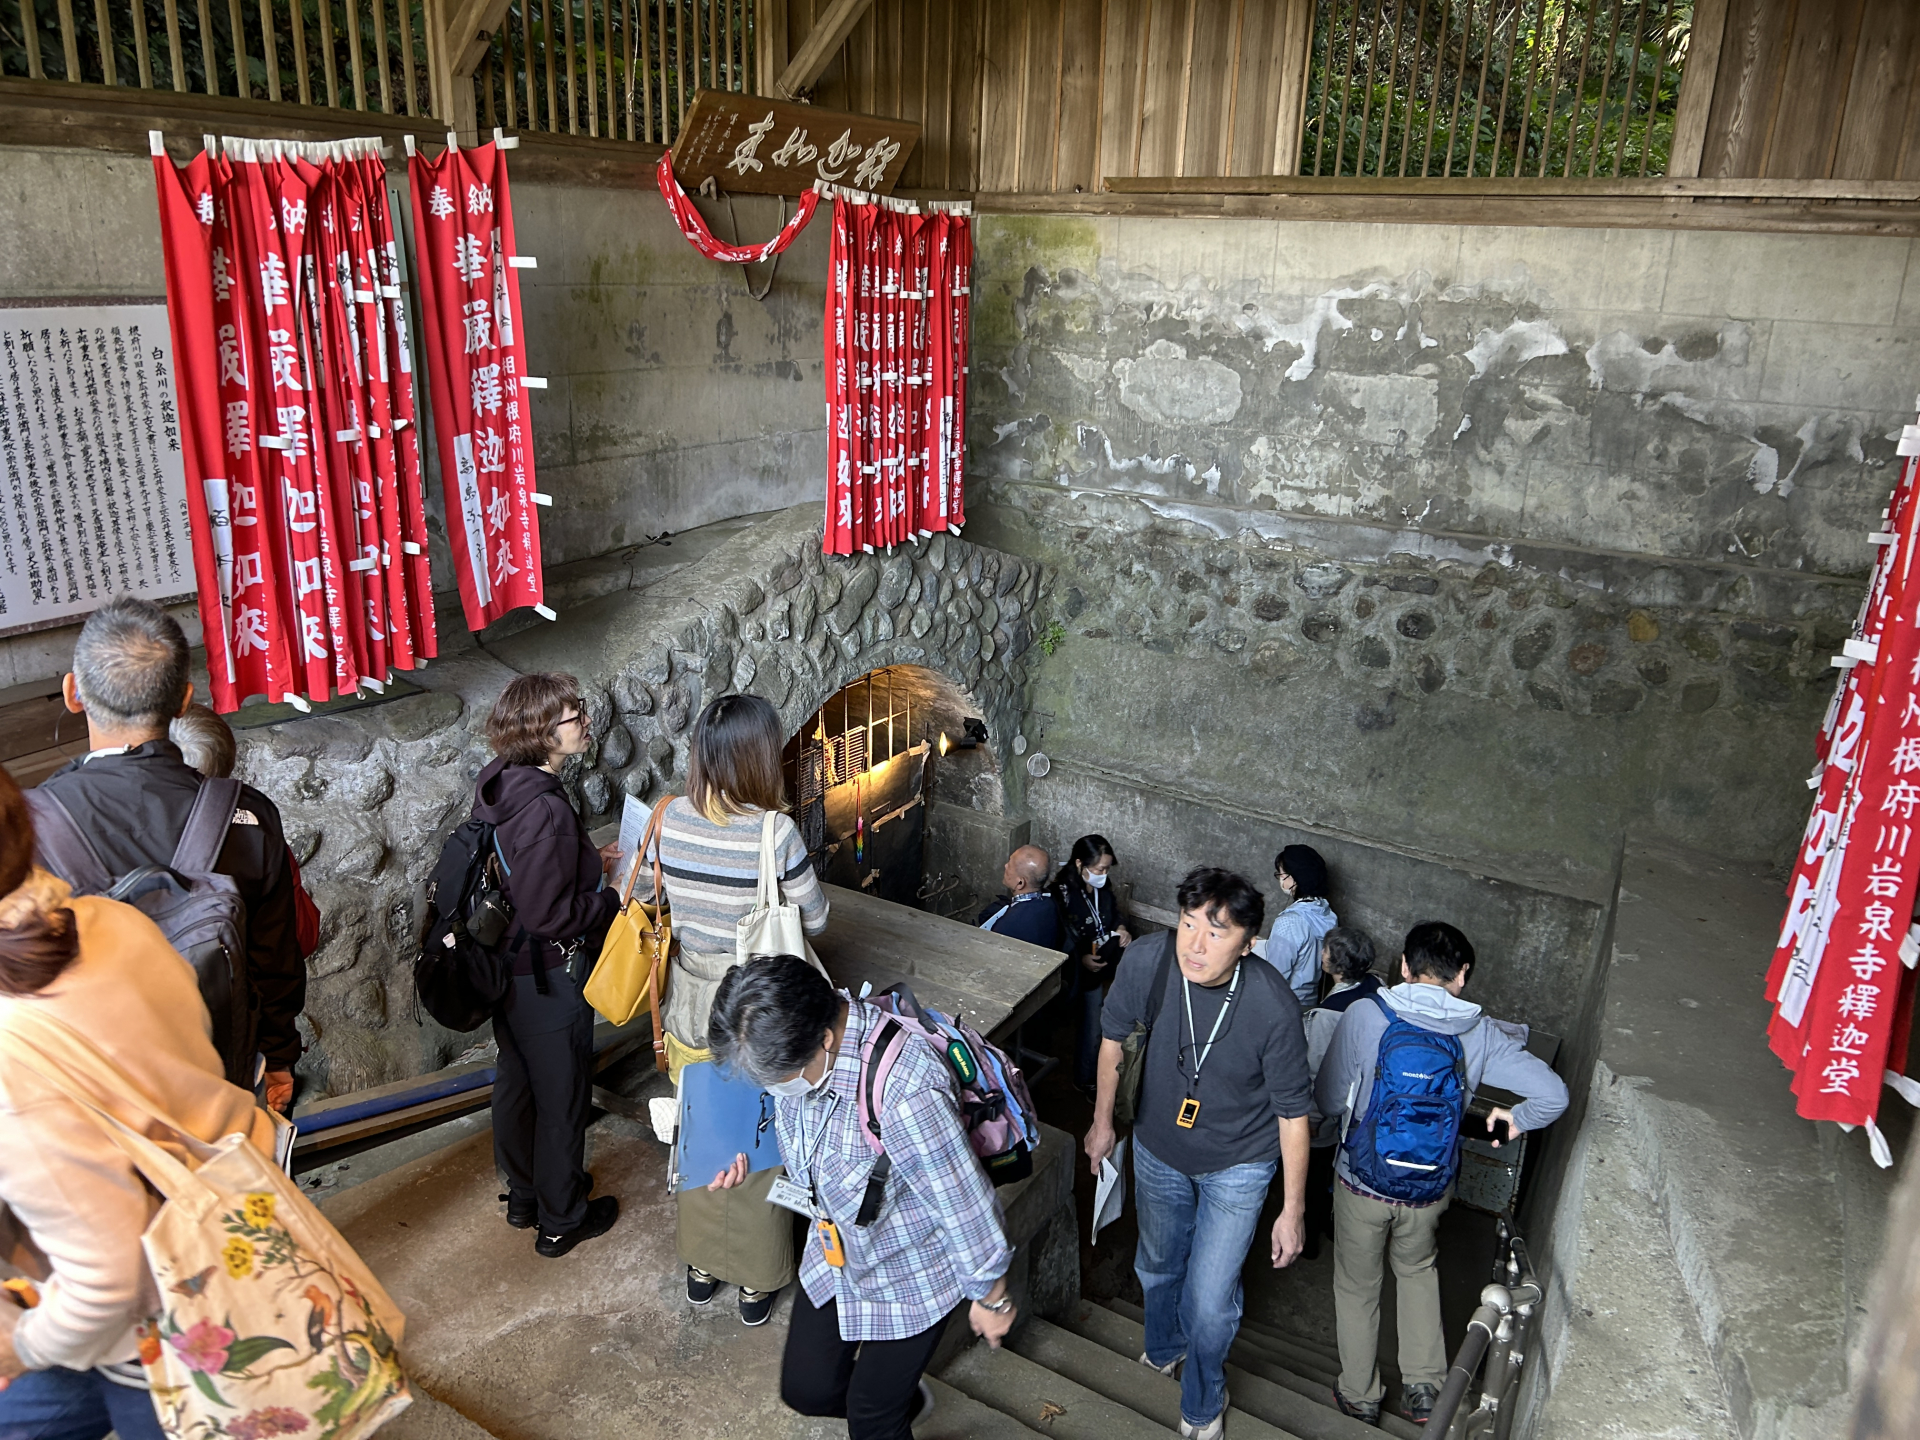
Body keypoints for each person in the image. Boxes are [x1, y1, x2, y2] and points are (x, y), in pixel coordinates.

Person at [0, 763, 279, 1440]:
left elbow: (110, 1278)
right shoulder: (112, 919)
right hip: (242, 1227)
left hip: (161, 1332)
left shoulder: (12, 1053)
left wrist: (23, 1347)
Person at [706, 955, 1016, 1440]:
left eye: (777, 1078)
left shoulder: (906, 1089)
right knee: (807, 1390)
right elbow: (788, 1116)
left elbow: (965, 1205)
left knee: (872, 1419)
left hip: (912, 1272)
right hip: (833, 1254)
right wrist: (742, 1153)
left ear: (825, 1039)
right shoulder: (802, 1055)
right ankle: (902, 1403)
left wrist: (992, 1299)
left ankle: (890, 1410)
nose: (773, 1089)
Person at [31, 597, 304, 1114]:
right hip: (222, 1089)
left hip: (88, 1108)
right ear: (183, 701)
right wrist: (280, 1056)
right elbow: (275, 960)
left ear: (73, 693)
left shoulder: (29, 826)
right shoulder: (245, 815)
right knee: (248, 1198)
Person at [1085, 868, 1313, 1440]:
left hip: (1239, 1164)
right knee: (1157, 1264)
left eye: (1216, 932)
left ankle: (1204, 1396)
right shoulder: (1150, 962)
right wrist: (1102, 1122)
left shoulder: (1272, 1005)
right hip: (1159, 1147)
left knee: (1211, 1302)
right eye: (1187, 924)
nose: (1194, 943)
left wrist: (1292, 1210)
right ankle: (1162, 1347)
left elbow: (1293, 1113)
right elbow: (1113, 1038)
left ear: (1249, 942)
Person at [1315, 922, 1569, 1425]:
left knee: (1357, 1284)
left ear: (1405, 967)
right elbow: (1554, 1096)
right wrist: (1513, 1121)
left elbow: (1325, 1098)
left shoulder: (1367, 1014)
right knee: (1417, 1271)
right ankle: (1427, 1391)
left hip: (1359, 1180)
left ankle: (1360, 1394)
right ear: (1463, 975)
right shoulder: (1479, 1032)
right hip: (1430, 1189)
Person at [635, 693, 829, 1326]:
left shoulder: (665, 817)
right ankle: (756, 1280)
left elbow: (642, 895)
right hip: (756, 1011)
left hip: (689, 1004)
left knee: (703, 1133)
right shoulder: (776, 832)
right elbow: (817, 919)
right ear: (757, 757)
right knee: (761, 1139)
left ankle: (700, 1267)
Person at [474, 672, 624, 1259]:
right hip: (545, 972)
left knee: (517, 1082)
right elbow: (550, 913)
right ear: (542, 732)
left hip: (505, 964)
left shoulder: (502, 782)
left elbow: (528, 871)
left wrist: (590, 859)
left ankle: (525, 1195)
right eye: (573, 715)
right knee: (561, 1094)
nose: (585, 720)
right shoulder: (545, 810)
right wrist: (610, 895)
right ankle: (563, 1219)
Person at [172, 703, 321, 965]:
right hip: (247, 991)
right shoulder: (259, 824)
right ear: (229, 760)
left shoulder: (135, 829)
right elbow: (302, 936)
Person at [1300, 926, 1380, 1259]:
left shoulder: (1328, 1014)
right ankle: (1334, 1225)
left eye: (1326, 950)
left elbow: (1318, 1069)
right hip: (1364, 1103)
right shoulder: (1375, 987)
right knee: (1340, 1168)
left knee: (1313, 1173)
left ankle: (1308, 1238)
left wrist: (1314, 1117)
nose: (1321, 954)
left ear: (1336, 964)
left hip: (1332, 1106)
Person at [1053, 835, 1133, 1094]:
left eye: (1107, 869)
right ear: (1079, 863)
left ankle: (1086, 1075)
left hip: (1103, 967)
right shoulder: (1062, 893)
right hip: (1075, 972)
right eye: (1099, 869)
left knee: (1094, 1026)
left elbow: (1113, 913)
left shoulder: (1102, 888)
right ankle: (1084, 1077)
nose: (1103, 874)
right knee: (1085, 1027)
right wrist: (1081, 958)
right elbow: (1060, 935)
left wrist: (1121, 927)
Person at [1262, 845, 1337, 1009]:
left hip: (1285, 1004)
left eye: (1281, 874)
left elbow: (1276, 975)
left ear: (1295, 878)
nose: (1280, 880)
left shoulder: (1289, 922)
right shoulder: (1327, 914)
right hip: (1310, 999)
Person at [977, 845, 1060, 950]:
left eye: (1010, 865)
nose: (1005, 866)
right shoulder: (1050, 903)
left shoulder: (1008, 927)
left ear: (1020, 883)